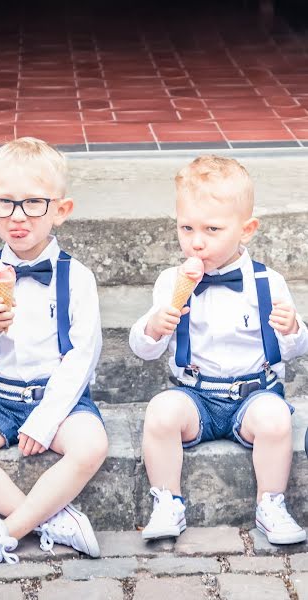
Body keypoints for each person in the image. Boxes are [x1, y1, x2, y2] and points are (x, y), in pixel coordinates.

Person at [0, 137, 108, 573]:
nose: (18, 216)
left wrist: (48, 416)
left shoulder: (77, 277)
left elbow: (83, 355)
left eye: (33, 203)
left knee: (92, 445)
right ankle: (46, 517)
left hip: (59, 398)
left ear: (61, 210)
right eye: (5, 204)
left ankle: (4, 532)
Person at [129, 155, 308, 546]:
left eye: (212, 229)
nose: (196, 241)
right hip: (196, 395)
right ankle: (166, 500)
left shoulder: (267, 281)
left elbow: (294, 350)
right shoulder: (170, 281)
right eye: (187, 227)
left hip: (254, 393)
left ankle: (271, 503)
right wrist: (153, 327)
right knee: (161, 412)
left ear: (246, 230)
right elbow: (142, 349)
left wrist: (292, 329)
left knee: (277, 419)